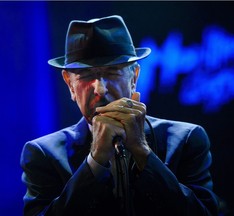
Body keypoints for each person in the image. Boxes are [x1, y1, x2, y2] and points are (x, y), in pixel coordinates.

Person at [20, 15, 219, 216]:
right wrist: (95, 160)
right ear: (70, 85)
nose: (100, 89)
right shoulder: (43, 154)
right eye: (86, 75)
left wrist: (142, 151)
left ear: (134, 78)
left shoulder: (186, 140)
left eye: (112, 72)